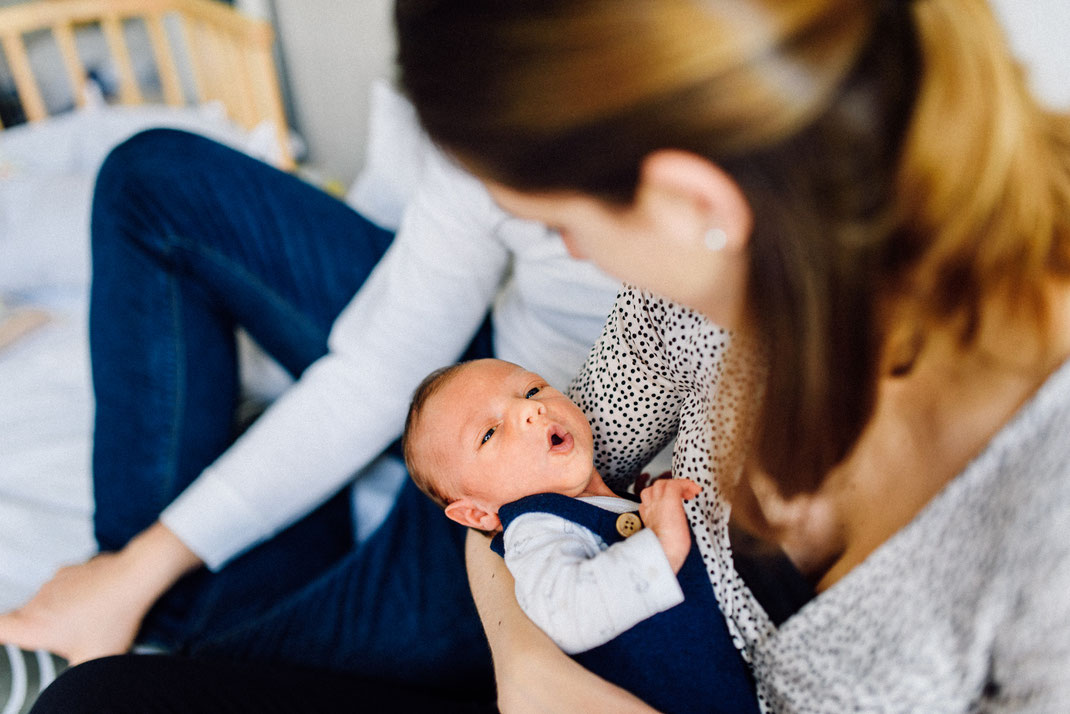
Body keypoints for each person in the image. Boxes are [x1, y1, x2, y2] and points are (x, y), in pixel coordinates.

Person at [395, 0, 1070, 711]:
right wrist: (525, 665)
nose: (573, 252)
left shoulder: (1046, 536)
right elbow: (503, 489)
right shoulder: (690, 297)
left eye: (563, 222)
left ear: (698, 205)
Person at [0, 85, 622, 708]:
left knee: (217, 662)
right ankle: (123, 593)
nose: (563, 244)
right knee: (151, 180)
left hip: (550, 485)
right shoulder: (484, 106)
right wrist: (135, 568)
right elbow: (379, 367)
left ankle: (146, 614)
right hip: (488, 364)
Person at [401, 357, 760, 714]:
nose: (530, 409)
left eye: (533, 389)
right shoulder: (532, 531)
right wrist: (662, 545)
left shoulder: (598, 502)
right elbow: (566, 609)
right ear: (478, 513)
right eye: (489, 433)